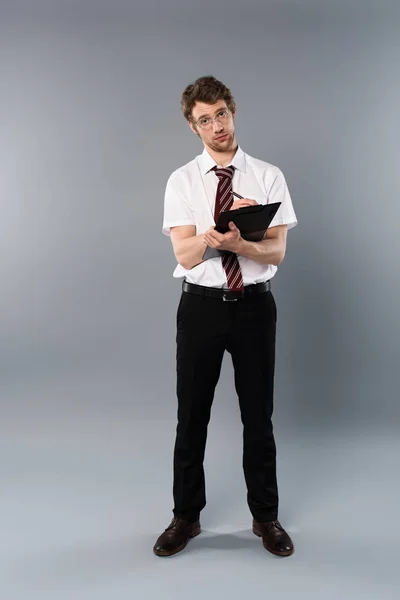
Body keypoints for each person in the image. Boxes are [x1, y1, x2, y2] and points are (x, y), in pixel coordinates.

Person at [154, 75, 298, 558]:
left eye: (221, 114)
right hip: (200, 308)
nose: (216, 126)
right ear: (193, 128)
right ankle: (185, 517)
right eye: (204, 120)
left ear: (232, 113)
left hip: (255, 307)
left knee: (259, 416)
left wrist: (246, 244)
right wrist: (222, 237)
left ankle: (266, 517)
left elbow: (276, 252)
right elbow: (185, 251)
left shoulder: (268, 175)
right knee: (191, 416)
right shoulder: (182, 180)